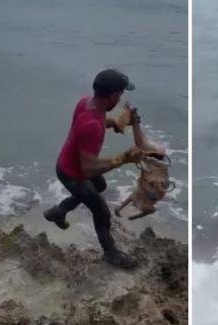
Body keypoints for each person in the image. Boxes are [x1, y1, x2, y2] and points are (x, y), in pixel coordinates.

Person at [43, 69, 143, 269]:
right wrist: (123, 158)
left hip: (65, 163)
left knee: (99, 186)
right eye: (121, 93)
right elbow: (88, 169)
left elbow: (94, 121)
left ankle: (59, 211)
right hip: (73, 174)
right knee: (101, 211)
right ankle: (110, 253)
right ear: (113, 95)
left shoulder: (86, 103)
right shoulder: (92, 127)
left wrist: (115, 122)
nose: (122, 97)